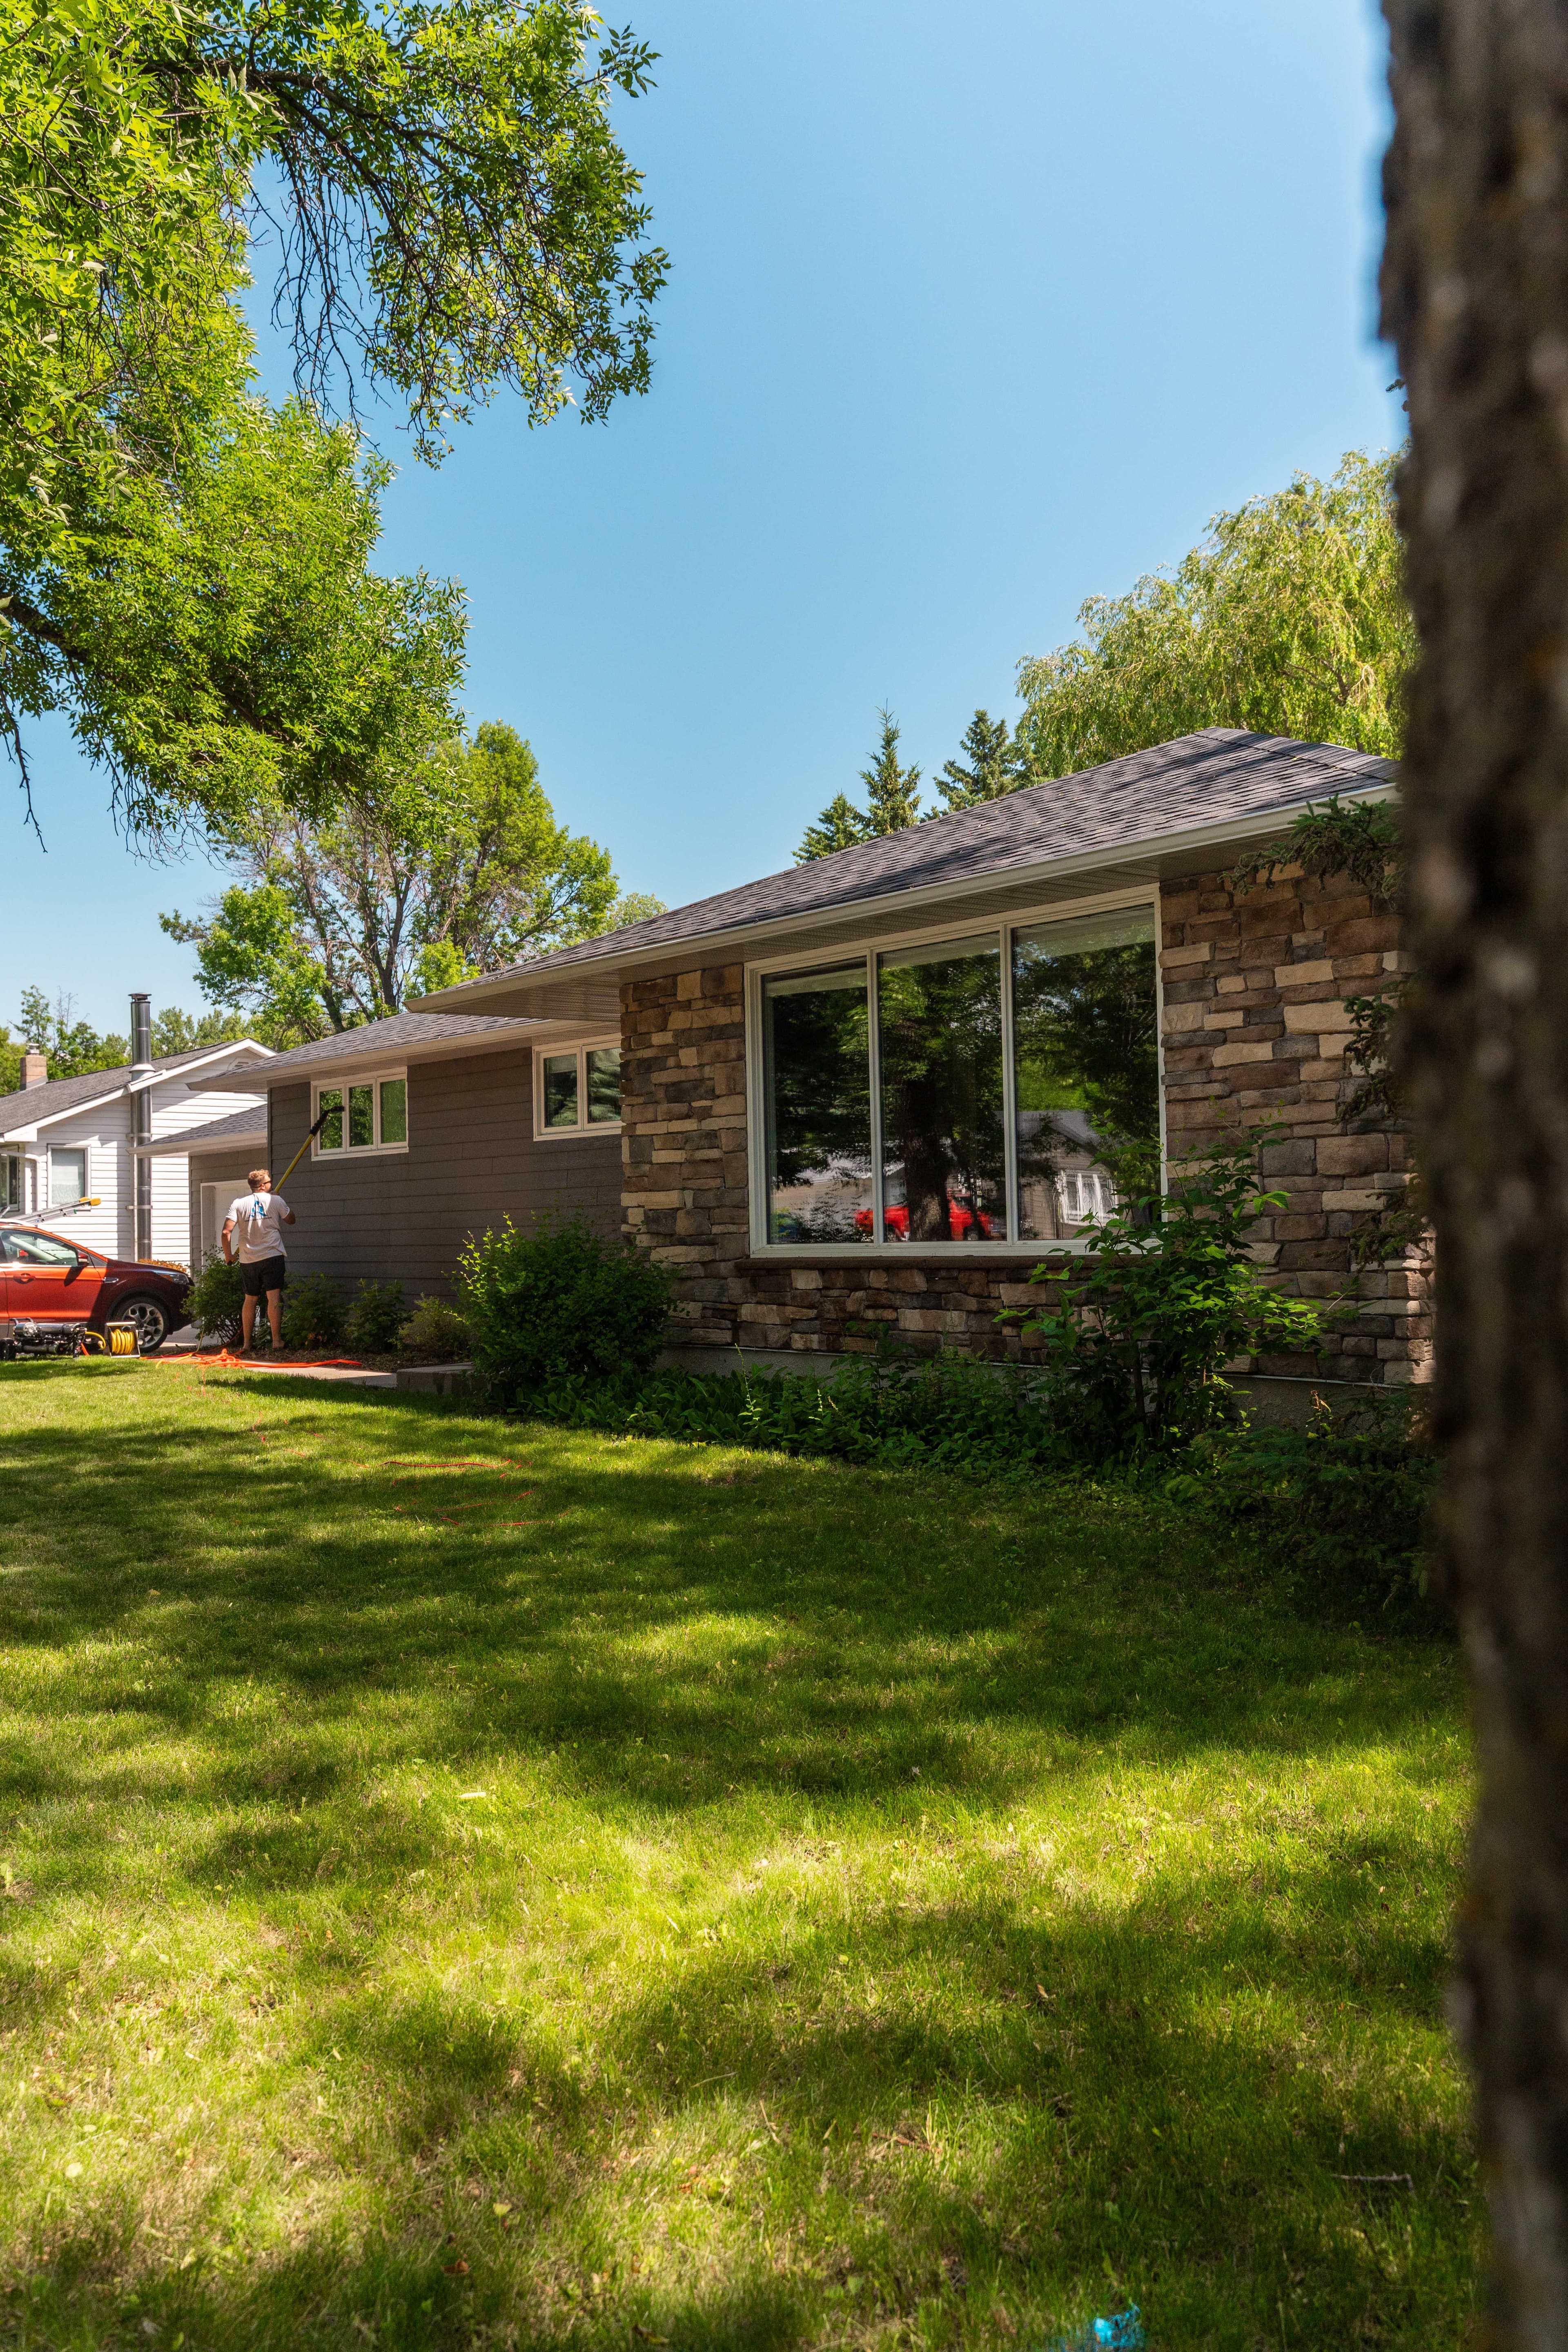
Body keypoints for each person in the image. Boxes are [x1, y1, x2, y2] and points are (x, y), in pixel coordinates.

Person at [221, 1167, 295, 1354]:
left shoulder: (238, 1204)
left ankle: (247, 1344)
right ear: (263, 1186)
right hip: (272, 1256)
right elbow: (291, 1220)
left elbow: (226, 1232)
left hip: (248, 1259)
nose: (271, 1184)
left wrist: (229, 1256)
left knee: (250, 1299)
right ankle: (276, 1341)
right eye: (269, 1182)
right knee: (274, 1298)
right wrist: (279, 1203)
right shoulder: (276, 1200)